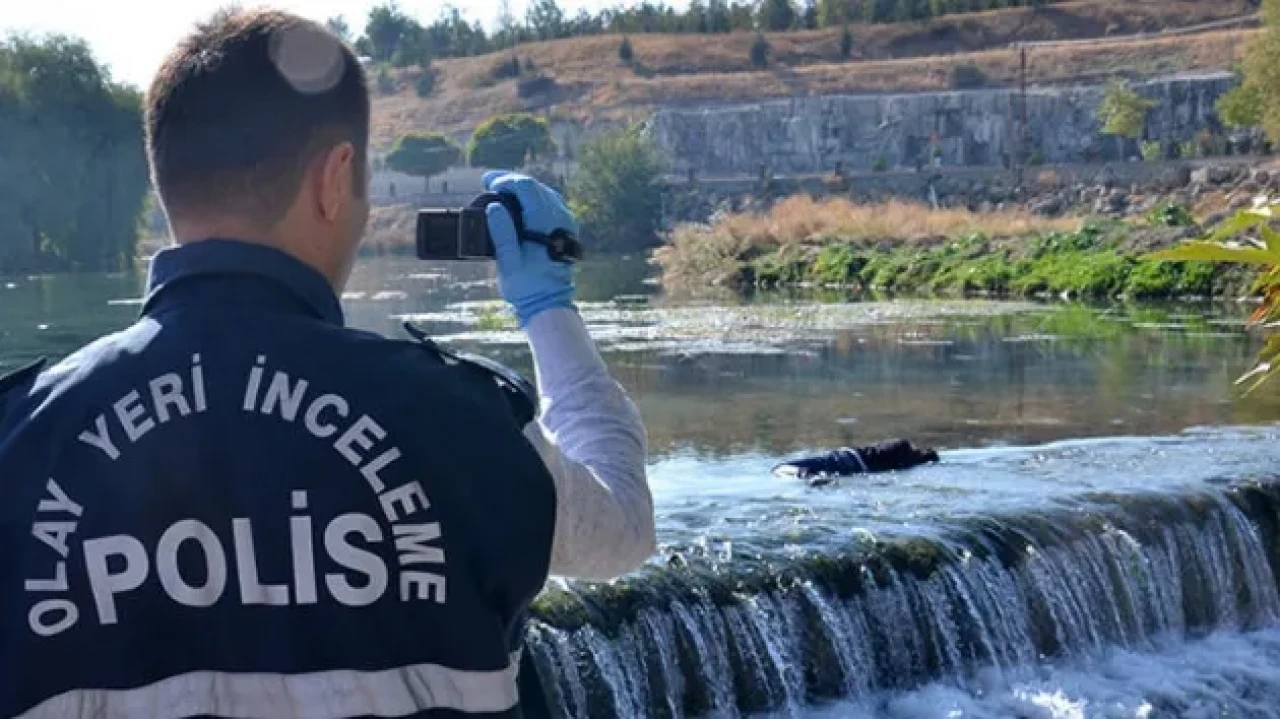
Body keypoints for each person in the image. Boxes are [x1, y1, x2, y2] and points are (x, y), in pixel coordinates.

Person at [0, 9, 654, 719]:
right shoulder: (464, 424)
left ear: (168, 181)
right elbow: (623, 524)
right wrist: (546, 308)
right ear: (335, 179)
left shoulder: (19, 439)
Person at [772, 439, 939, 485]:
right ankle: (808, 475)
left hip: (846, 459)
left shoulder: (902, 446)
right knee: (782, 468)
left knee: (779, 468)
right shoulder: (906, 464)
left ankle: (807, 475)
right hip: (854, 466)